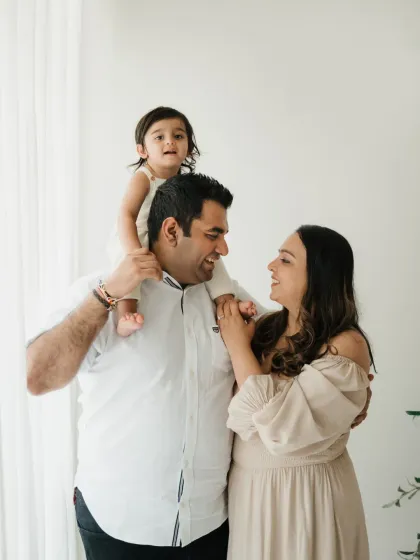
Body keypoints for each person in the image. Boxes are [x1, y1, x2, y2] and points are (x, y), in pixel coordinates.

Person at [26, 177, 371, 560]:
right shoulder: (108, 295)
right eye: (213, 234)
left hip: (211, 529)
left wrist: (350, 389)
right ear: (172, 230)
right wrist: (106, 295)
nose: (223, 248)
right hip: (117, 525)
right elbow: (38, 377)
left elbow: (293, 351)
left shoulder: (233, 304)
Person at [216, 225, 373, 560]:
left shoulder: (345, 345)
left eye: (285, 260)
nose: (271, 266)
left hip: (308, 497)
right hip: (251, 496)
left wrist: (236, 345)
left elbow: (281, 430)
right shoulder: (265, 329)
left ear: (318, 276)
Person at [107, 106, 253, 336]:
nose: (170, 142)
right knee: (128, 272)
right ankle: (126, 315)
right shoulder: (144, 177)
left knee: (211, 255)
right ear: (142, 150)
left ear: (189, 147)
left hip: (174, 239)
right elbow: (126, 214)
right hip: (139, 234)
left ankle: (228, 304)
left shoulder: (184, 184)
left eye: (178, 136)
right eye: (159, 137)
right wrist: (135, 251)